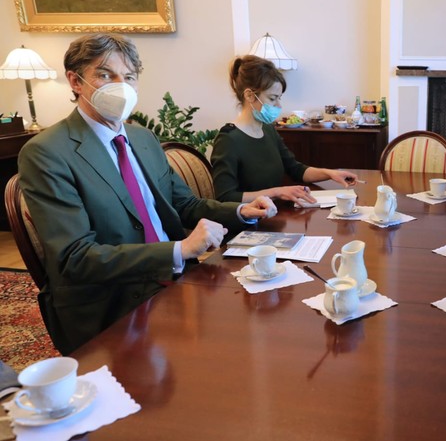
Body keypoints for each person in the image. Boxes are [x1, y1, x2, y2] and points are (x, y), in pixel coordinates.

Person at [17, 34, 277, 355]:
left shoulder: (142, 138)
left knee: (261, 328)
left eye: (129, 77)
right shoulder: (47, 153)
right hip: (113, 300)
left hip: (176, 277)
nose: (120, 86)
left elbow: (184, 204)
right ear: (75, 81)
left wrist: (240, 211)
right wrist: (179, 249)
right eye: (105, 75)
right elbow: (75, 258)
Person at [211, 55, 358, 205]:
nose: (279, 106)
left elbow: (295, 169)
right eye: (272, 98)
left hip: (275, 213)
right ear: (249, 95)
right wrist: (277, 192)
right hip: (251, 218)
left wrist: (331, 174)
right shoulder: (228, 139)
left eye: (279, 98)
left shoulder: (268, 129)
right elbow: (225, 198)